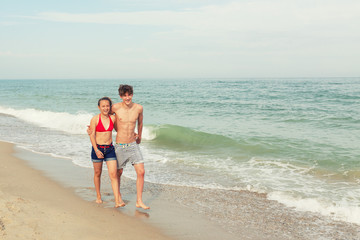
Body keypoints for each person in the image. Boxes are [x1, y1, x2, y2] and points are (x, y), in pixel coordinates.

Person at [112, 84, 150, 210]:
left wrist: (139, 136)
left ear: (132, 94)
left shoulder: (139, 108)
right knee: (118, 172)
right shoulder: (115, 107)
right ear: (120, 96)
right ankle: (118, 196)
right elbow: (107, 119)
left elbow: (140, 122)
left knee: (141, 172)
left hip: (133, 145)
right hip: (120, 145)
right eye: (124, 95)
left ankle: (139, 200)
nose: (127, 98)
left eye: (129, 95)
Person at [88, 97, 125, 208]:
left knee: (113, 175)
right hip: (97, 149)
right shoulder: (95, 119)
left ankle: (117, 200)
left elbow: (120, 130)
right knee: (97, 173)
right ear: (99, 107)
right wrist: (96, 150)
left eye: (107, 106)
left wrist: (132, 134)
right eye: (103, 106)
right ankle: (98, 196)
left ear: (110, 107)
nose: (105, 108)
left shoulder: (113, 119)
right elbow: (92, 135)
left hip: (110, 149)